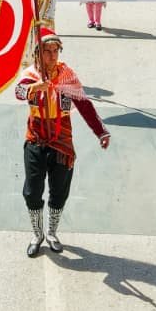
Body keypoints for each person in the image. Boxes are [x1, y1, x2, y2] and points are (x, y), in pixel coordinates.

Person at [13, 35, 109, 257]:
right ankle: (37, 235)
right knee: (32, 191)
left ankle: (52, 232)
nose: (52, 56)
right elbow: (18, 92)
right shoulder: (30, 76)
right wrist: (36, 87)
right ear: (38, 54)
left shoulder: (67, 76)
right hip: (36, 139)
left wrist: (101, 131)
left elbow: (84, 105)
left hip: (62, 141)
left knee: (59, 190)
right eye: (47, 51)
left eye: (56, 51)